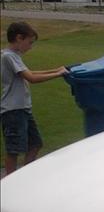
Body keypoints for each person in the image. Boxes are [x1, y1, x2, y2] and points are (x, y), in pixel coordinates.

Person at [1, 21, 68, 176]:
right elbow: (31, 78)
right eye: (29, 42)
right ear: (19, 38)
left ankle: (25, 176)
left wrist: (56, 69)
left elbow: (30, 72)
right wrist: (58, 74)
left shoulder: (13, 56)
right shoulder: (8, 57)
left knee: (35, 144)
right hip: (13, 110)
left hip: (22, 109)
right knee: (14, 150)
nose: (30, 47)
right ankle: (10, 183)